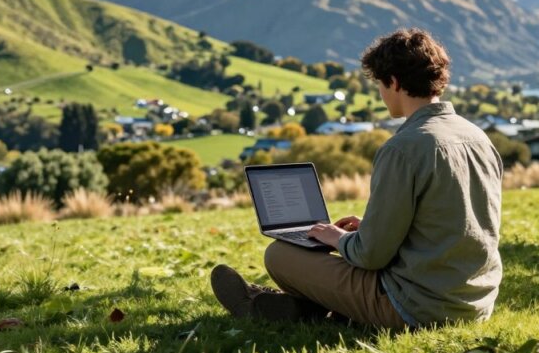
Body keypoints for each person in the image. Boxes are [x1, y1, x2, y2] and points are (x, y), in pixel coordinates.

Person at [210, 28, 504, 330]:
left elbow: (371, 255)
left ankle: (262, 304)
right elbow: (452, 224)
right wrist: (370, 229)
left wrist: (339, 239)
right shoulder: (478, 137)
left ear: (394, 82)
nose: (381, 92)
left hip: (417, 307)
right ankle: (301, 309)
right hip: (475, 303)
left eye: (380, 83)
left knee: (279, 254)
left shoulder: (403, 148)